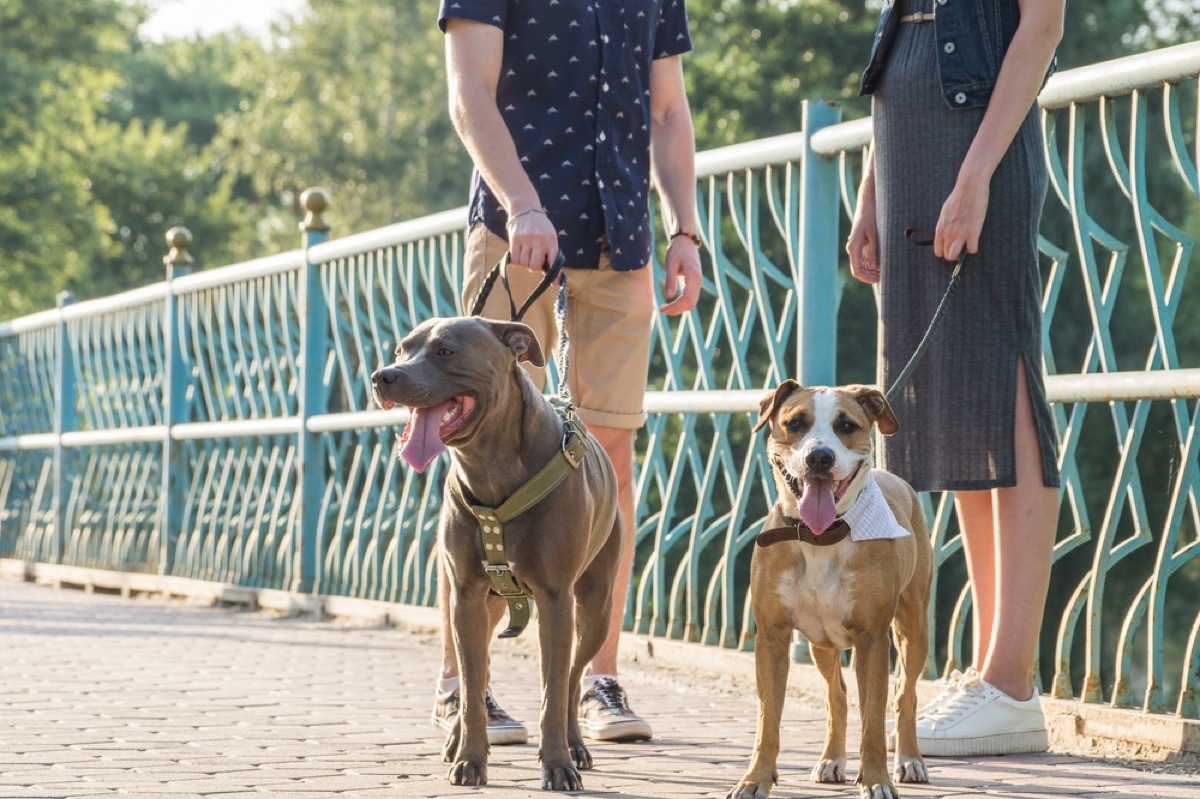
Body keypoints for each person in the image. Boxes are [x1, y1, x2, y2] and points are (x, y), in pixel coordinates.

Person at [433, 0, 703, 745]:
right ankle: (466, 686)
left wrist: (686, 228)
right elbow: (469, 93)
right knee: (484, 459)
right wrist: (522, 204)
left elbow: (670, 110)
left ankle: (598, 676)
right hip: (519, 235)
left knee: (610, 459)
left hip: (623, 240)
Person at [847, 0, 1065, 756]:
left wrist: (977, 174)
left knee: (1001, 378)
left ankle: (1012, 681)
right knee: (955, 400)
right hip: (907, 139)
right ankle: (982, 672)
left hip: (980, 142)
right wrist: (873, 187)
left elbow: (1041, 25)